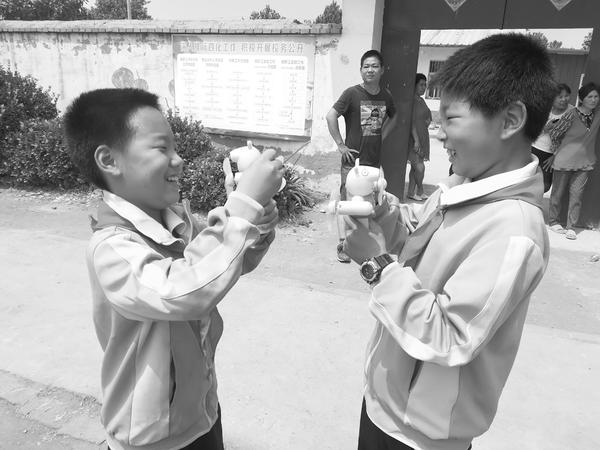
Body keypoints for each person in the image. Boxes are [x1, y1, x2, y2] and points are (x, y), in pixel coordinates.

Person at [342, 33, 554, 450]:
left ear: (510, 120)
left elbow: (449, 336)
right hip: (383, 407)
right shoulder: (460, 187)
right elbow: (416, 243)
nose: (439, 134)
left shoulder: (515, 232)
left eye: (451, 120)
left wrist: (376, 265)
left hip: (421, 437)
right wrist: (382, 212)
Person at [63, 88, 283, 450]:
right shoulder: (111, 248)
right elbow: (183, 291)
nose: (178, 159)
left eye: (175, 148)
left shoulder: (175, 220)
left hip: (200, 414)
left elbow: (218, 267)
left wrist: (255, 225)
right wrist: (242, 206)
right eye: (161, 148)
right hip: (152, 437)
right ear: (109, 160)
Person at [326, 49, 397, 263]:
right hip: (352, 161)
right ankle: (343, 244)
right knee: (348, 202)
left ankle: (364, 243)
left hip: (374, 160)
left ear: (382, 70)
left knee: (371, 202)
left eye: (374, 66)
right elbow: (331, 116)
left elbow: (394, 116)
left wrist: (383, 134)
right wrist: (341, 145)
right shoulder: (352, 93)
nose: (370, 70)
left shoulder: (386, 96)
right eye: (366, 66)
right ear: (360, 70)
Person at [547, 82, 600, 240]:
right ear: (582, 99)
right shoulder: (571, 114)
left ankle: (571, 227)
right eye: (589, 97)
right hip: (564, 161)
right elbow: (555, 133)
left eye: (596, 96)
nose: (593, 100)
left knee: (577, 196)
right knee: (557, 194)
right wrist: (556, 152)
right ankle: (553, 222)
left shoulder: (597, 115)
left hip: (585, 162)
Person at [531, 83, 573, 192]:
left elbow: (571, 138)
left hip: (551, 154)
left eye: (566, 96)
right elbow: (532, 131)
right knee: (527, 180)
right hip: (534, 148)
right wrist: (546, 128)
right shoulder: (544, 109)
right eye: (560, 97)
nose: (564, 99)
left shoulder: (572, 112)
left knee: (545, 186)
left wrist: (555, 156)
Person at [406, 73, 432, 201]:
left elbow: (427, 115)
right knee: (419, 167)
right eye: (421, 85)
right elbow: (411, 122)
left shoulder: (421, 100)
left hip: (423, 136)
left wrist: (428, 120)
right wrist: (416, 140)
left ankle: (411, 192)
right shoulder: (412, 101)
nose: (424, 87)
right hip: (414, 138)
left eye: (425, 85)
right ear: (414, 85)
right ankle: (420, 190)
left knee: (415, 167)